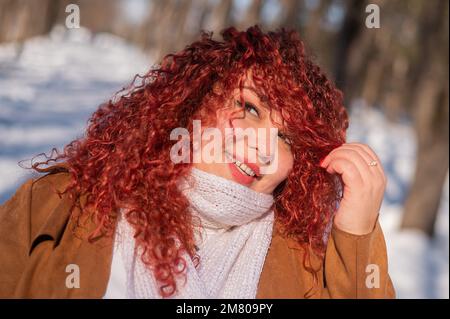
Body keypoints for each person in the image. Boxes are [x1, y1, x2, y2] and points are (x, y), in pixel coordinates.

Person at [0, 25, 395, 298]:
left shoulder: (308, 269)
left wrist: (357, 236)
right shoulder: (60, 204)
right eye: (251, 109)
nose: (264, 149)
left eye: (287, 138)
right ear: (196, 101)